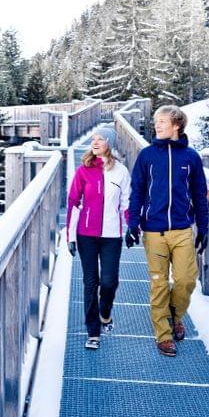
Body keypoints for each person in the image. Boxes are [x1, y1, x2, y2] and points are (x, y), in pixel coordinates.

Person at [126, 105, 208, 357]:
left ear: (176, 125)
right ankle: (163, 334)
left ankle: (174, 314)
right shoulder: (147, 155)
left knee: (185, 280)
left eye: (162, 121)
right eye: (156, 121)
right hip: (154, 231)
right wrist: (132, 224)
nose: (157, 125)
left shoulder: (191, 158)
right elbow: (137, 190)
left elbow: (200, 196)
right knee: (159, 283)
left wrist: (203, 227)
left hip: (183, 229)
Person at [67, 127, 131, 350]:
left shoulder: (121, 171)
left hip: (112, 235)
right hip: (86, 235)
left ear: (109, 144)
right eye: (93, 139)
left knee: (109, 281)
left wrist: (131, 226)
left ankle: (105, 313)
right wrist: (70, 235)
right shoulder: (83, 170)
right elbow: (74, 203)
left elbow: (126, 203)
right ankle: (93, 332)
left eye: (100, 139)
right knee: (90, 282)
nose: (95, 142)